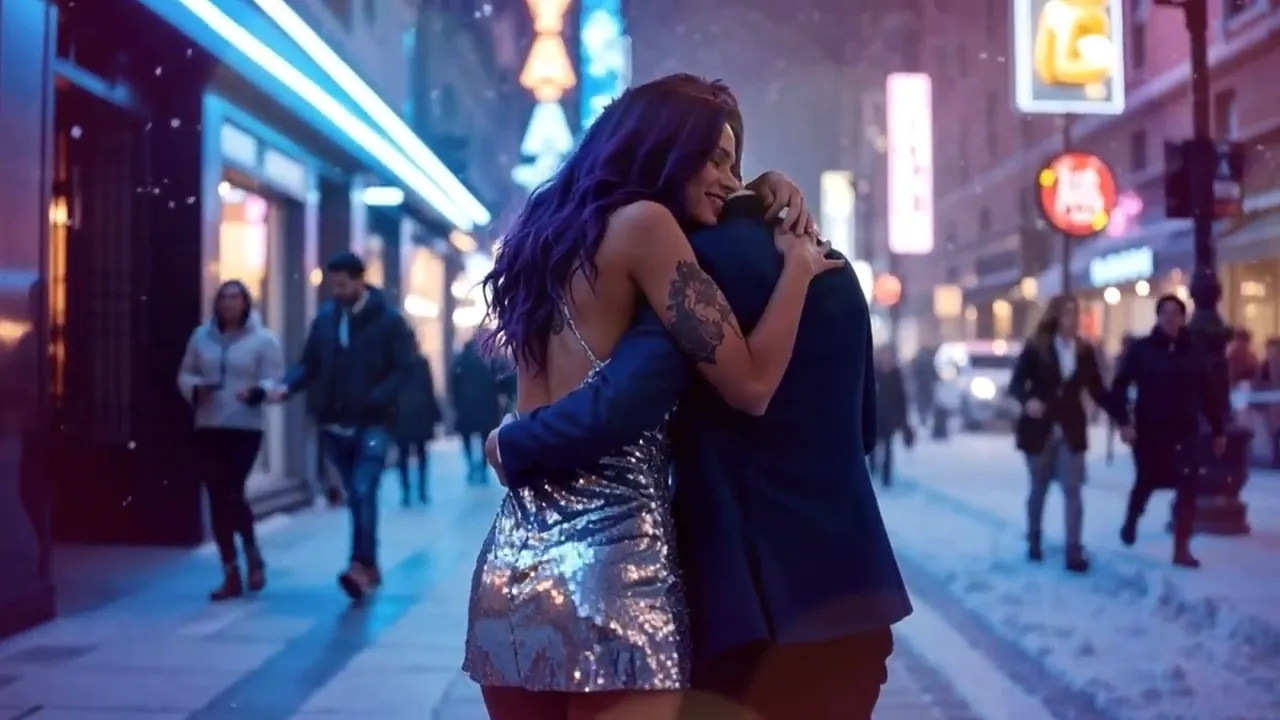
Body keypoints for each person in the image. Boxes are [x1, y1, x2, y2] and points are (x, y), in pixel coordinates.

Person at [480, 80, 908, 720]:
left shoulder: (550, 240)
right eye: (712, 158)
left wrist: (510, 438)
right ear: (660, 151)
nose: (726, 178)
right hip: (660, 574)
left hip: (520, 561)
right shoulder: (805, 262)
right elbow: (657, 397)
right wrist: (792, 265)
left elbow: (601, 393)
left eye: (733, 162)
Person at [270, 252, 415, 600]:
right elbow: (309, 363)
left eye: (343, 283)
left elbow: (405, 367)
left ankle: (359, 565)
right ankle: (369, 563)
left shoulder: (388, 321)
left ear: (359, 280)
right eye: (332, 284)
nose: (337, 290)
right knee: (356, 496)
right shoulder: (325, 321)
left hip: (373, 423)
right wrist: (287, 386)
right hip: (334, 425)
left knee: (363, 491)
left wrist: (378, 397)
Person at [177, 280, 284, 600]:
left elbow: (275, 379)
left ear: (246, 302)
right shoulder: (201, 337)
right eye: (223, 297)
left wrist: (258, 392)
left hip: (244, 426)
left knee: (234, 491)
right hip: (208, 425)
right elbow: (184, 374)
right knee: (216, 496)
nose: (228, 303)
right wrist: (197, 387)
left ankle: (252, 553)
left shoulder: (264, 340)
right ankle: (230, 571)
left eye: (235, 298)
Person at [1111, 294, 1226, 568]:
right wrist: (1125, 423)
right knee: (1146, 482)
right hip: (1150, 431)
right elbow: (1119, 387)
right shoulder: (1142, 350)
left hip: (1185, 431)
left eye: (1176, 313)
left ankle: (1181, 548)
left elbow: (1209, 393)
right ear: (1158, 317)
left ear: (1183, 318)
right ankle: (1131, 519)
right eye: (1165, 313)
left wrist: (1218, 428)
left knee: (1188, 488)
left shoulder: (1195, 351)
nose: (1171, 318)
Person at [1009, 294, 1120, 574]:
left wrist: (1121, 417)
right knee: (1039, 488)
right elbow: (1016, 383)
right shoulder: (1037, 347)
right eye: (1067, 313)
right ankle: (1034, 537)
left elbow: (1097, 389)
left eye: (1075, 312)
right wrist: (1028, 401)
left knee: (1073, 489)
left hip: (1071, 428)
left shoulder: (1085, 350)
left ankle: (1074, 549)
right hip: (1040, 427)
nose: (1072, 319)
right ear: (1055, 316)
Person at [450, 335, 508, 484]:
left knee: (467, 438)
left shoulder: (461, 361)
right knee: (485, 438)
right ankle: (482, 467)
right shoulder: (489, 361)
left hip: (466, 406)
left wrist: (455, 405)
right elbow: (502, 382)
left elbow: (453, 386)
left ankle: (471, 464)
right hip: (487, 406)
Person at [395, 351, 441, 506]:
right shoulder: (421, 362)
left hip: (401, 414)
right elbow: (429, 387)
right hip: (420, 413)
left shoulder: (394, 363)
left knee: (403, 455)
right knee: (421, 454)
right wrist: (434, 413)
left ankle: (406, 492)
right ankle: (421, 491)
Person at [872, 345, 912, 487]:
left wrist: (904, 420)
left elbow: (901, 398)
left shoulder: (896, 375)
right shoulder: (873, 373)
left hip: (889, 417)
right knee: (874, 443)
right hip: (874, 415)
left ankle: (886, 476)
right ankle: (873, 467)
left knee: (888, 446)